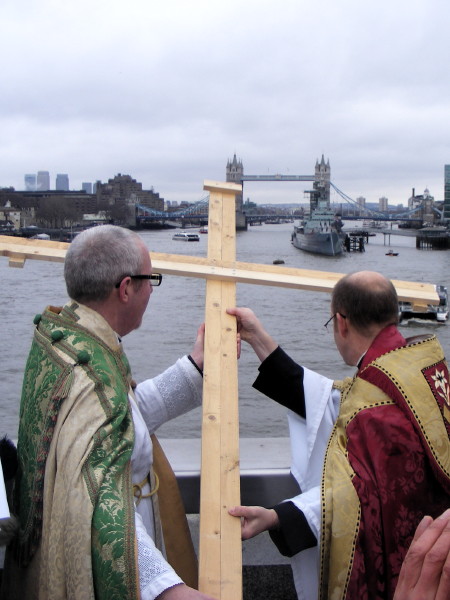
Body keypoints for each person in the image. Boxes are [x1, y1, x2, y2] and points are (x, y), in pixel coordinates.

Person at [1, 225, 216, 600]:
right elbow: (99, 506)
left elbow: (123, 416)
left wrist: (195, 365)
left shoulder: (69, 338)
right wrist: (168, 591)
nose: (152, 290)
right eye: (151, 280)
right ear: (127, 288)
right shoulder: (91, 379)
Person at [227, 270, 450, 600]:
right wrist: (259, 337)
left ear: (341, 322)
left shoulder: (375, 410)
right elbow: (334, 401)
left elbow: (357, 500)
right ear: (395, 315)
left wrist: (278, 517)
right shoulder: (416, 369)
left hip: (405, 576)